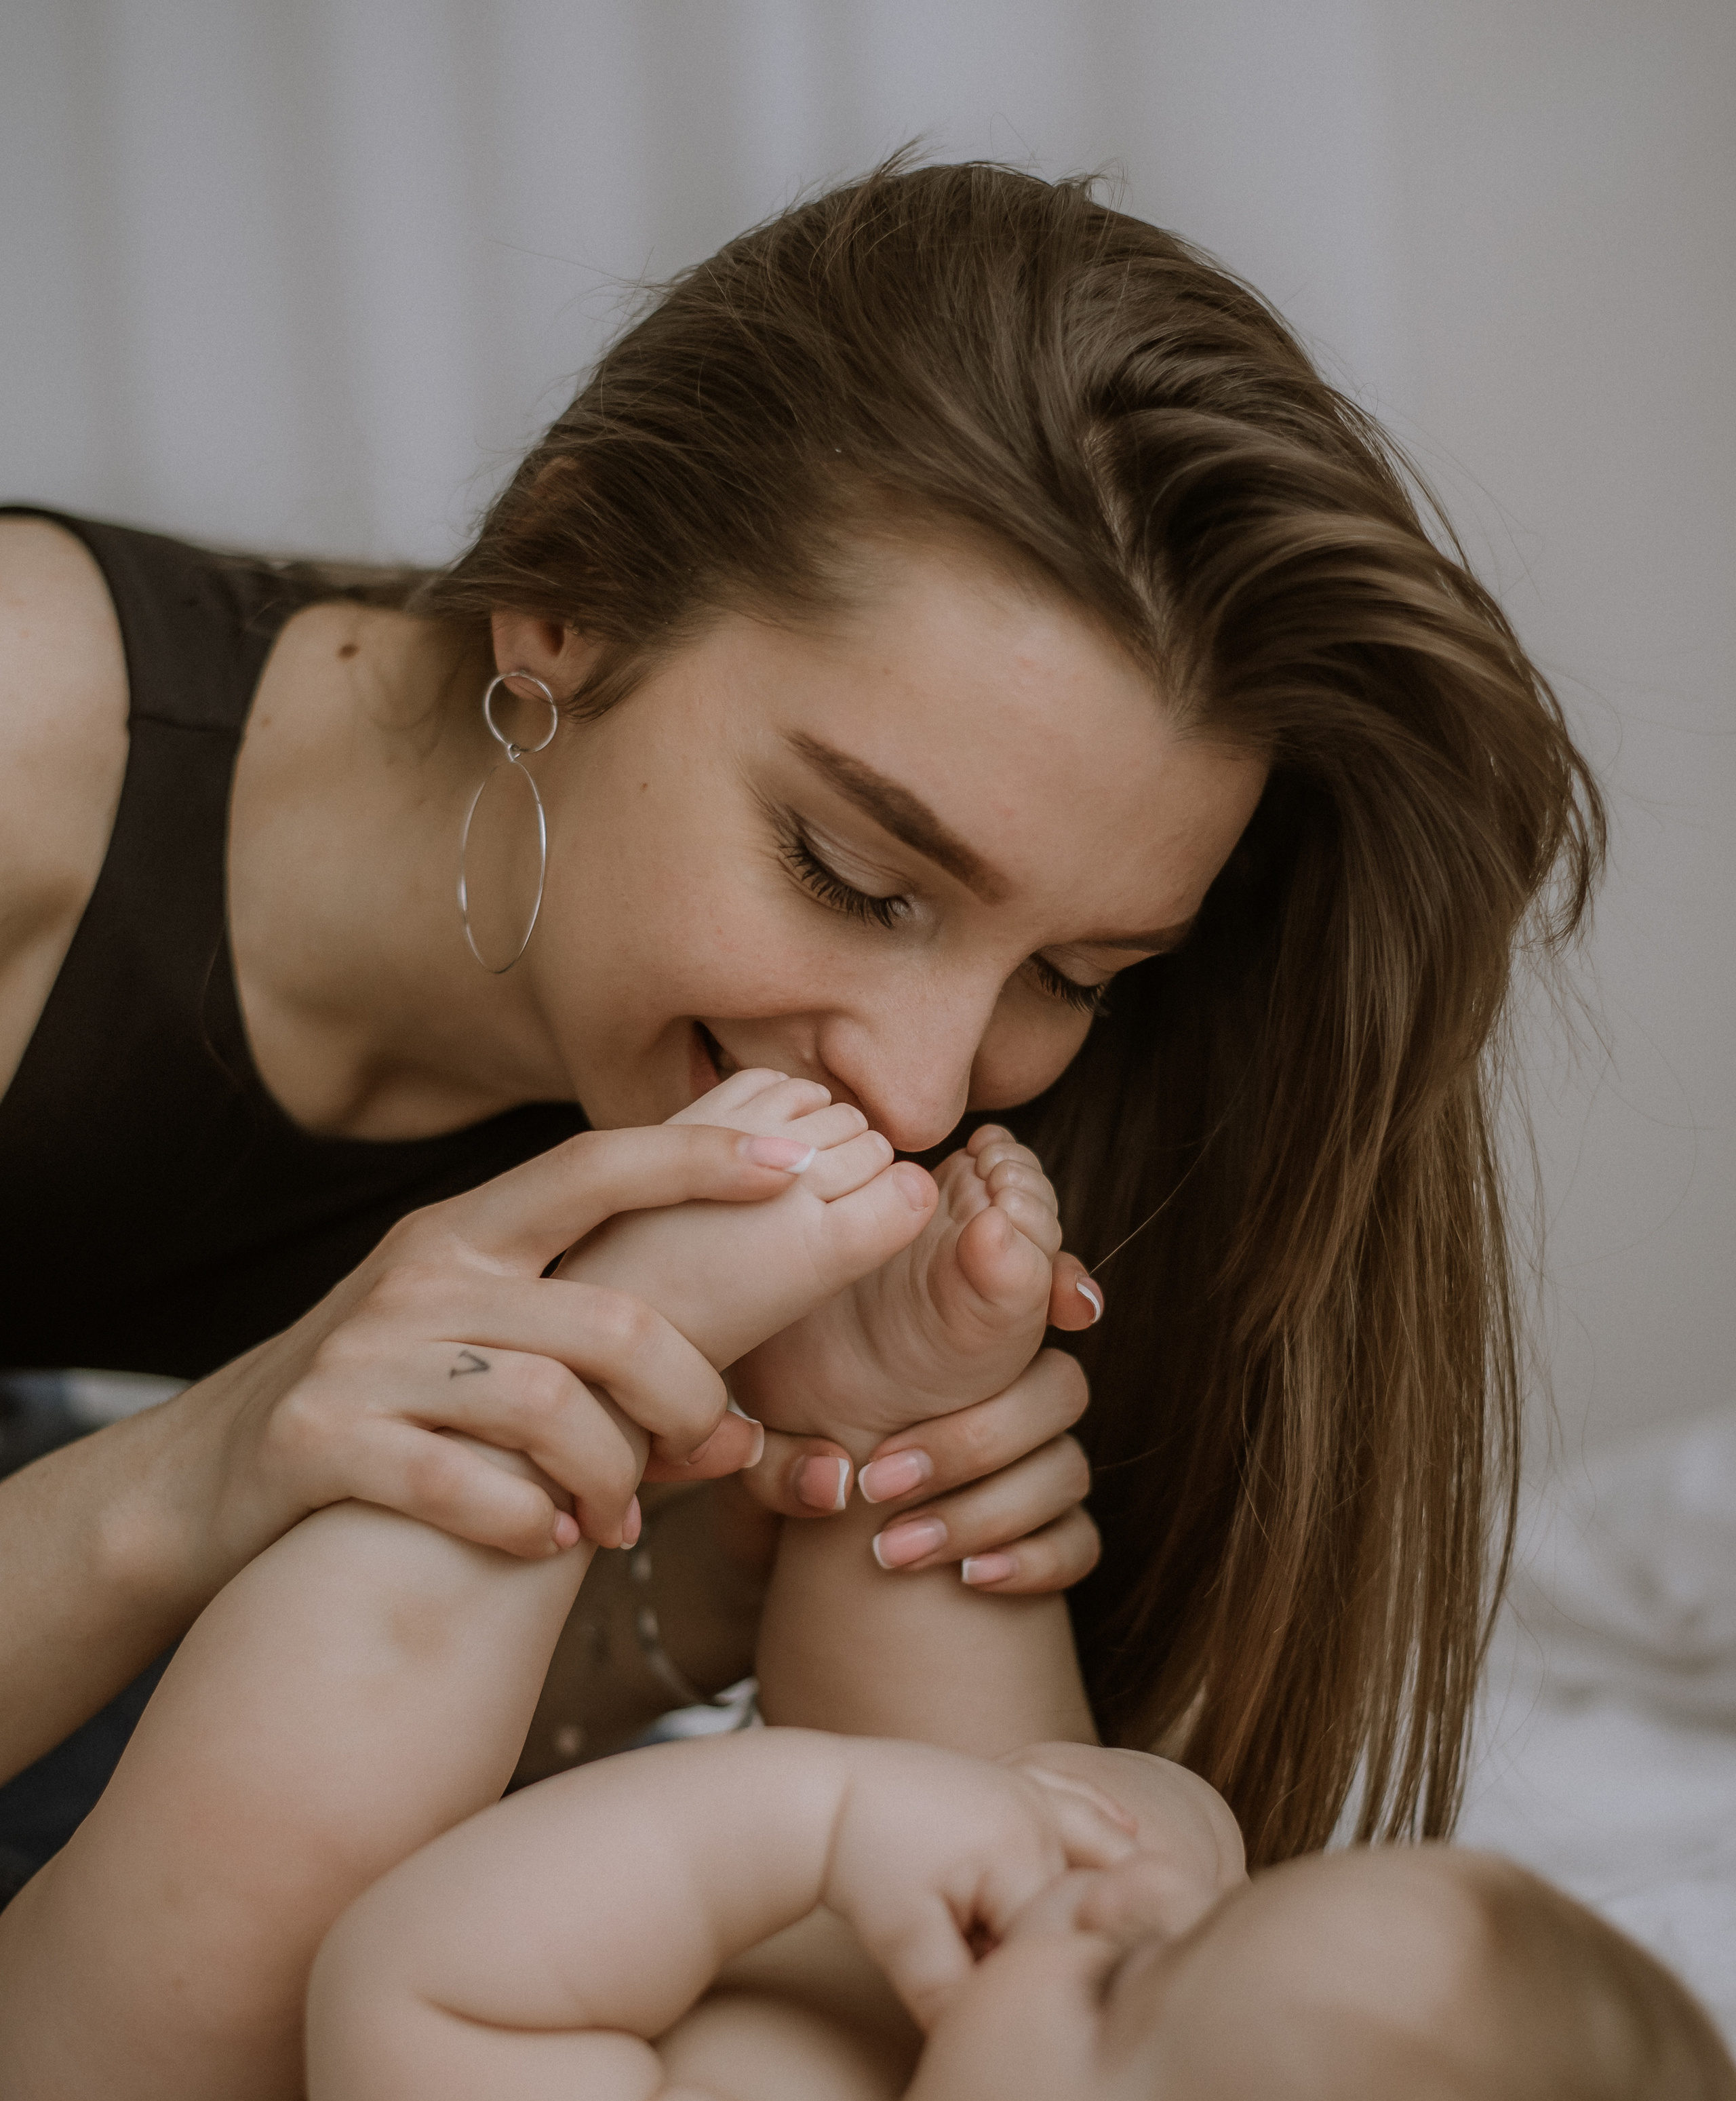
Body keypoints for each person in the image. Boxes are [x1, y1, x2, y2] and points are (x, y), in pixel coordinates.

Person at [0, 158, 1604, 1891]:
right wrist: (203, 1471)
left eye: (1072, 978)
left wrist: (740, 1568)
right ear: (565, 598)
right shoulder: (27, 757)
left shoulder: (896, 1156)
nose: (914, 1088)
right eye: (849, 872)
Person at [1, 1082, 1731, 2101]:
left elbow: (419, 1988)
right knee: (1062, 1814)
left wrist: (824, 1816)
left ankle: (591, 1368)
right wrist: (1151, 1839)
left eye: (1139, 1992)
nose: (1136, 1918)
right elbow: (1099, 1886)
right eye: (1227, 1922)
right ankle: (883, 1428)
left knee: (271, 1875)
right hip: (638, 1982)